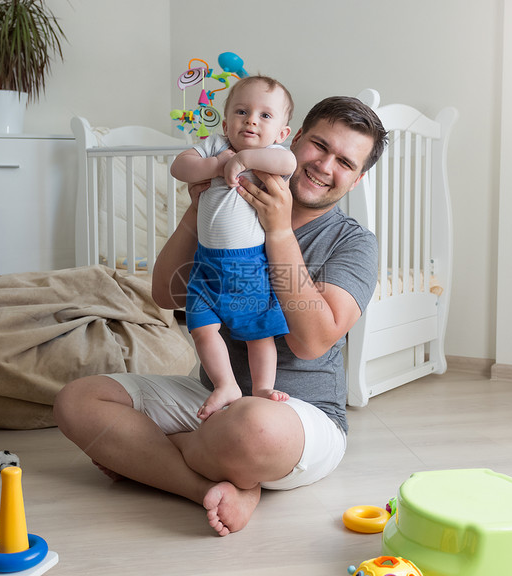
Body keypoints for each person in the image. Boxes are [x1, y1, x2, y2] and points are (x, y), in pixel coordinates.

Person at [54, 95, 387, 537]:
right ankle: (217, 486)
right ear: (296, 139)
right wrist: (199, 206)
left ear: (358, 178)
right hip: (212, 399)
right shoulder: (229, 199)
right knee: (77, 401)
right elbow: (167, 293)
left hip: (293, 418)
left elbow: (311, 341)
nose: (325, 165)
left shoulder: (354, 243)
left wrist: (280, 231)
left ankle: (150, 456)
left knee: (253, 428)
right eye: (319, 146)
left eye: (344, 162)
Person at [170, 75, 297, 420]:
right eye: (242, 111)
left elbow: (289, 165)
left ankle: (262, 388)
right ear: (226, 123)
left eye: (265, 116)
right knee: (200, 327)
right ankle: (226, 383)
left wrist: (245, 162)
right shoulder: (215, 146)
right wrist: (217, 164)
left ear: (282, 134)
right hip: (206, 265)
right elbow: (179, 166)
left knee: (259, 333)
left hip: (248, 266)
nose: (252, 120)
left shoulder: (272, 155)